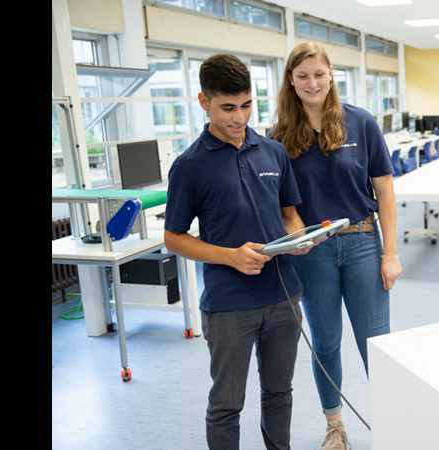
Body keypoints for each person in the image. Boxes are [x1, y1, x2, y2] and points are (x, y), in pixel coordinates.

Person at [163, 53, 315, 450]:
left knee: (280, 392)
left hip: (283, 296)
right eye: (227, 107)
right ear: (204, 102)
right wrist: (231, 255)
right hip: (230, 305)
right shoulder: (189, 166)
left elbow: (289, 215)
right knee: (227, 404)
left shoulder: (273, 152)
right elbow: (174, 238)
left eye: (247, 105)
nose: (239, 117)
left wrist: (298, 239)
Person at [271, 42, 402, 450]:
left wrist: (391, 253)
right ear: (291, 81)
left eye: (319, 74)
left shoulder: (361, 124)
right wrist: (291, 240)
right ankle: (335, 426)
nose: (312, 83)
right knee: (325, 343)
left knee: (375, 343)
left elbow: (385, 193)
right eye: (303, 75)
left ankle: (392, 426)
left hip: (364, 243)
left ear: (331, 75)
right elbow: (278, 201)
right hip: (313, 253)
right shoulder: (278, 137)